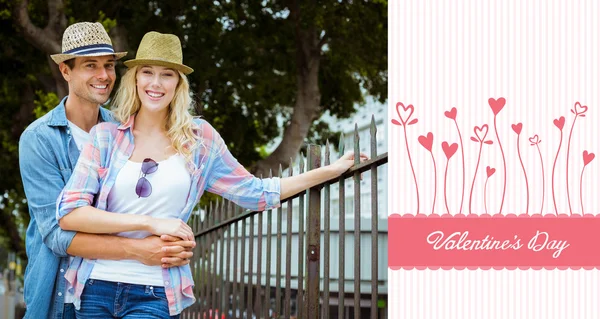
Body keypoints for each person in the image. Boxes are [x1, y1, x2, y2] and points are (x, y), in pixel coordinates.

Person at [56, 31, 368, 318]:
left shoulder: (199, 141)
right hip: (96, 285)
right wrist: (150, 222)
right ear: (135, 79)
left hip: (154, 292)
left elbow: (257, 192)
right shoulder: (106, 137)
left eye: (167, 75)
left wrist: (329, 171)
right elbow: (70, 213)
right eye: (147, 72)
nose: (156, 83)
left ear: (178, 84)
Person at [18, 23, 196, 319]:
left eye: (109, 65)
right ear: (65, 70)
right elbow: (58, 236)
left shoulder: (123, 131)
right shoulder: (39, 139)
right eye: (91, 66)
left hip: (117, 291)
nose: (103, 76)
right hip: (59, 296)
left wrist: (172, 244)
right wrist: (140, 249)